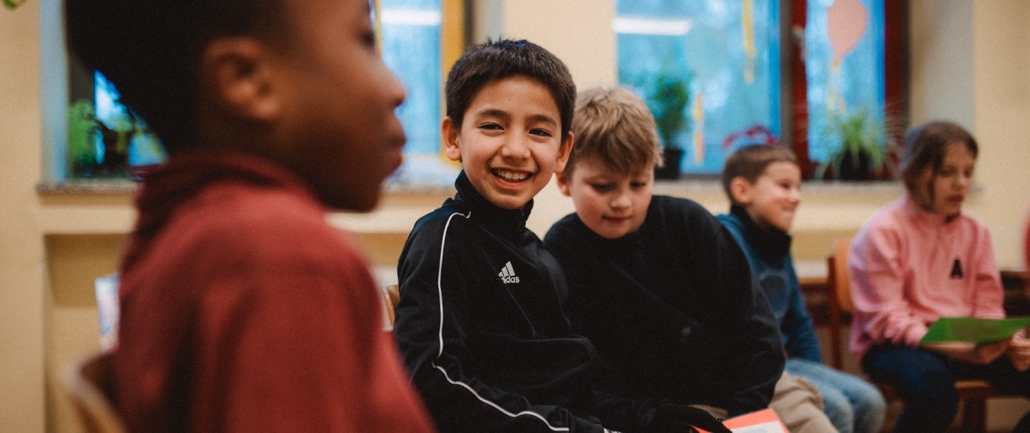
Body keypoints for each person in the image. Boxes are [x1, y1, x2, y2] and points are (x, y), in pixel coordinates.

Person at [65, 0, 437, 431]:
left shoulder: (187, 225)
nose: (399, 89)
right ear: (246, 80)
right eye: (366, 40)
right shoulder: (282, 257)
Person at [392, 40, 729, 433]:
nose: (516, 149)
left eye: (538, 131)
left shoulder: (536, 253)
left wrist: (652, 418)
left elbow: (567, 385)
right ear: (453, 137)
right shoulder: (444, 237)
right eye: (492, 126)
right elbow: (430, 381)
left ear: (562, 151)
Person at [544, 86, 836, 433]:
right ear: (564, 180)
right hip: (667, 410)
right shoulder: (561, 252)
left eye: (638, 184)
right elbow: (580, 379)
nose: (623, 202)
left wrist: (745, 419)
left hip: (755, 388)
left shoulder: (690, 225)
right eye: (603, 187)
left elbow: (758, 333)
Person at [849, 121, 1030, 433]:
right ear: (914, 173)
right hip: (899, 346)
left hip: (966, 340)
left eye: (968, 172)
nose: (961, 183)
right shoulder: (883, 230)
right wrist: (964, 350)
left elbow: (988, 309)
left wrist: (1006, 342)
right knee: (935, 396)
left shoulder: (976, 232)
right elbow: (890, 321)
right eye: (947, 172)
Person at [717, 144, 886, 433]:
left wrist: (814, 380)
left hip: (786, 363)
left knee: (870, 401)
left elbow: (798, 323)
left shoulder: (776, 241)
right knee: (836, 408)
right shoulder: (724, 239)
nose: (796, 197)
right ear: (742, 191)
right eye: (784, 186)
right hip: (747, 368)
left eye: (798, 187)